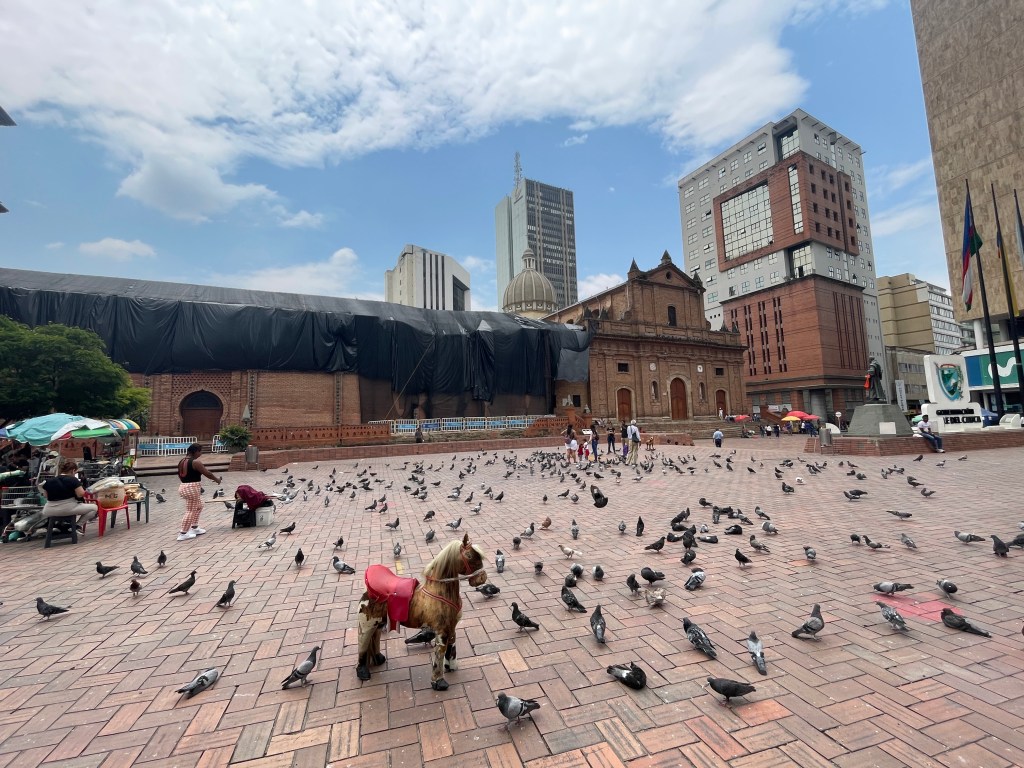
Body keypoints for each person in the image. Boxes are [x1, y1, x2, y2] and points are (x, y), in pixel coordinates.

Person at [177, 443, 222, 541]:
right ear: (195, 451)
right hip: (192, 487)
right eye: (200, 451)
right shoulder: (195, 462)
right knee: (190, 510)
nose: (200, 454)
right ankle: (183, 533)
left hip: (184, 486)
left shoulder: (182, 461)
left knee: (199, 505)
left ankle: (194, 527)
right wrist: (217, 479)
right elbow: (207, 473)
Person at [39, 459, 99, 529]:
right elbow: (80, 494)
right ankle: (77, 526)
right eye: (75, 472)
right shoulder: (73, 480)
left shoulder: (49, 481)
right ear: (73, 471)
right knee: (94, 508)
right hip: (67, 508)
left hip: (49, 510)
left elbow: (46, 496)